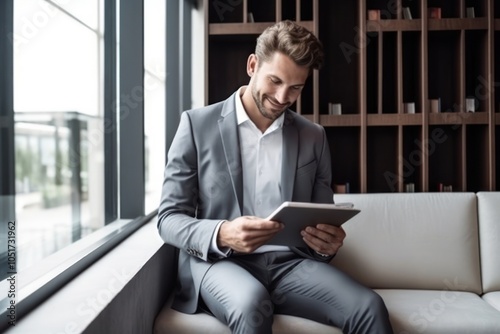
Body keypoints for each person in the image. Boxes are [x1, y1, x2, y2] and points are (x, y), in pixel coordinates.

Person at [157, 20, 393, 334]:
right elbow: (169, 219)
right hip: (221, 263)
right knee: (252, 304)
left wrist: (326, 244)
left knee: (369, 307)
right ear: (252, 65)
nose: (283, 97)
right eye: (275, 80)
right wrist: (223, 233)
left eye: (296, 87)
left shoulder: (313, 137)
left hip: (290, 265)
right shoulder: (196, 125)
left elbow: (322, 218)